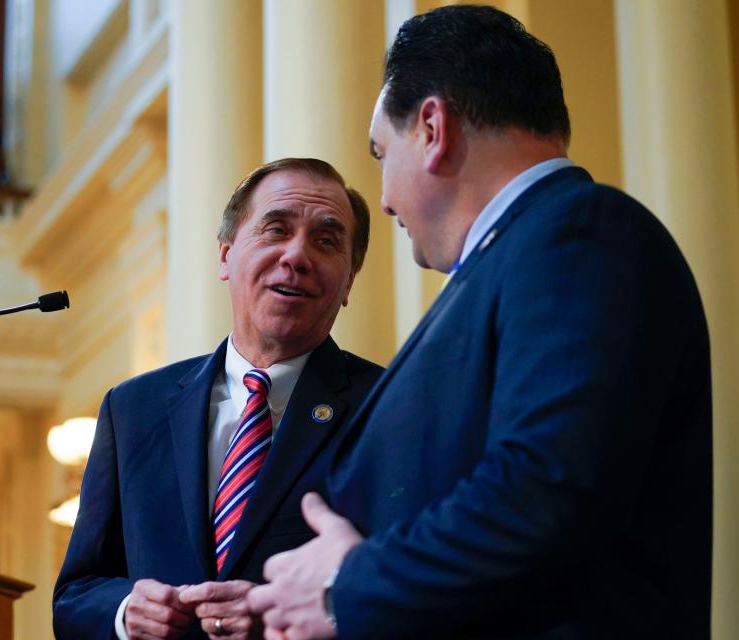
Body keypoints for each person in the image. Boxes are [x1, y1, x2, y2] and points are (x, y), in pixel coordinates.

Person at [249, 6, 711, 639]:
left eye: (382, 152)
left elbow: (544, 488)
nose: (382, 199)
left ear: (433, 129)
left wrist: (346, 587)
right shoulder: (522, 255)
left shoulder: (578, 232)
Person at [53, 158, 385, 640]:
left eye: (327, 240)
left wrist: (293, 616)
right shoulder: (133, 410)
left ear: (349, 282)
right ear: (226, 255)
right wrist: (126, 612)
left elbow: (415, 588)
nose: (297, 256)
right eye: (275, 230)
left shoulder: (386, 408)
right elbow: (74, 597)